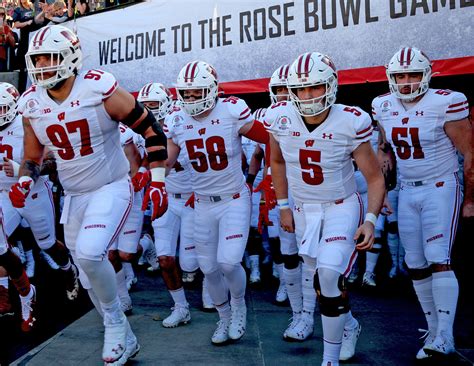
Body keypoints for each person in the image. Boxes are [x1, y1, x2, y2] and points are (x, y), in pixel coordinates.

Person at [14, 25, 168, 365]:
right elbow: (32, 156)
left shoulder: (99, 88)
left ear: (69, 57)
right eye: (36, 58)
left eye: (49, 58)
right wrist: (26, 180)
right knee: (87, 276)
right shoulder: (31, 103)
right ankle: (126, 337)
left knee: (88, 253)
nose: (42, 66)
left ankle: (113, 321)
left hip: (111, 186)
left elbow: (150, 126)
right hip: (74, 196)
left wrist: (157, 179)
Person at [265, 52, 385, 366]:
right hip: (304, 209)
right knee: (321, 284)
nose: (307, 96)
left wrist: (370, 220)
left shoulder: (350, 120)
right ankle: (349, 325)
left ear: (330, 85)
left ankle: (328, 359)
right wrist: (283, 206)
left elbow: (374, 177)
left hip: (341, 206)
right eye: (301, 89)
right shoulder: (279, 117)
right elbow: (276, 161)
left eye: (315, 87)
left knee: (329, 275)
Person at [374, 47, 472, 359]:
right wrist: (385, 193)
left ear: (426, 74)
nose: (406, 81)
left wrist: (469, 198)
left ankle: (445, 335)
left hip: (440, 186)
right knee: (414, 262)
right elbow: (385, 150)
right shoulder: (383, 105)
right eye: (400, 75)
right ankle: (433, 328)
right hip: (407, 188)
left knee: (437, 255)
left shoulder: (446, 101)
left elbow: (470, 153)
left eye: (413, 74)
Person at [165, 60, 269, 344]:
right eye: (186, 94)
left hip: (234, 198)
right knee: (208, 268)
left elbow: (269, 139)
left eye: (196, 92)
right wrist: (150, 179)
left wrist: (273, 176)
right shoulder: (177, 120)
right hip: (201, 203)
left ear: (211, 89)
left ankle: (238, 308)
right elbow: (167, 160)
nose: (191, 99)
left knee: (229, 261)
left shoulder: (232, 110)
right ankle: (223, 319)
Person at [0, 7, 16, 72]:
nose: (0, 16)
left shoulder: (6, 28)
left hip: (2, 57)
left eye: (2, 14)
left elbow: (13, 44)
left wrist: (7, 31)